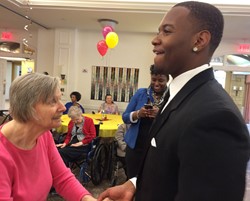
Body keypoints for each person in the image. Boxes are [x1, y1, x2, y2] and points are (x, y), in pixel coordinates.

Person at [98, 2, 250, 201]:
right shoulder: (180, 94)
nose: (155, 40)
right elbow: (171, 165)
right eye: (158, 32)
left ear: (200, 40)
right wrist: (135, 184)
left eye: (166, 31)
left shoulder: (216, 117)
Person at [0, 73, 97, 201]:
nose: (63, 107)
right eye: (53, 101)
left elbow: (62, 178)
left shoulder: (44, 135)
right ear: (28, 107)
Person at [122, 64, 169, 178]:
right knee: (132, 179)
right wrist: (138, 114)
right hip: (135, 147)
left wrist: (160, 115)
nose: (156, 83)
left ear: (168, 79)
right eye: (153, 79)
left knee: (151, 181)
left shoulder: (171, 97)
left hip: (158, 149)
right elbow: (125, 117)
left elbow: (176, 122)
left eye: (161, 80)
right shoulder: (141, 93)